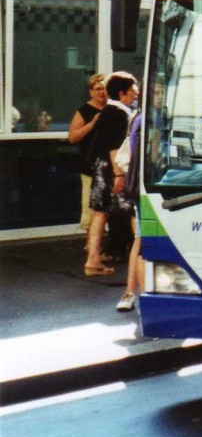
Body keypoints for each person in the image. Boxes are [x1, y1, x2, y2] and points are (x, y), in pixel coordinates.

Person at [84, 72, 139, 276]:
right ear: (122, 93)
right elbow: (114, 147)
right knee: (132, 210)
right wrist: (119, 175)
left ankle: (93, 261)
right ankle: (144, 258)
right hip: (113, 169)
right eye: (132, 90)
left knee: (101, 212)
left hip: (102, 168)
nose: (135, 93)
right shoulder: (119, 114)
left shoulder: (109, 111)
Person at [68, 74, 108, 234]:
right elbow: (73, 137)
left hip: (110, 165)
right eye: (98, 89)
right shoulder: (84, 111)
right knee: (90, 208)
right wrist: (93, 123)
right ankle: (90, 244)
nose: (102, 92)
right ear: (91, 91)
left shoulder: (112, 108)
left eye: (104, 88)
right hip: (90, 166)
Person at [116, 111, 143, 312]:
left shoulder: (138, 117)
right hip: (147, 189)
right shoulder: (145, 118)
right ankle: (140, 296)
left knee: (140, 241)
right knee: (144, 243)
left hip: (140, 188)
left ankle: (130, 293)